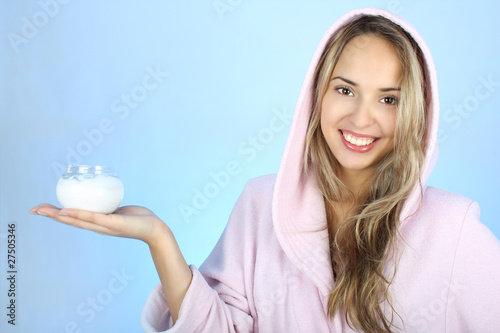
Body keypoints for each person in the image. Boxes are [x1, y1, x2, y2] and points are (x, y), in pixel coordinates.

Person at [31, 7, 500, 333]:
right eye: (344, 89)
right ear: (316, 95)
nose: (361, 118)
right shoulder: (260, 206)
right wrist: (158, 237)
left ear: (415, 110)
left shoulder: (453, 229)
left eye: (389, 99)